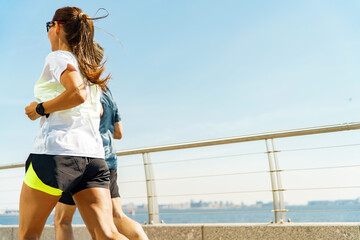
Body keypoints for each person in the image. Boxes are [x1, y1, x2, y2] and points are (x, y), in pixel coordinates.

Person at [21, 7, 127, 240]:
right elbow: (96, 109)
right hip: (94, 158)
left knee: (28, 235)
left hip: (56, 155)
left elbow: (77, 94)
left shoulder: (59, 57)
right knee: (108, 234)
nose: (48, 32)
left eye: (48, 27)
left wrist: (40, 109)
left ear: (57, 27)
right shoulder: (89, 69)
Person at [54, 43, 149, 240]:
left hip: (81, 156)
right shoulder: (106, 91)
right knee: (115, 218)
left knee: (62, 219)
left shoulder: (80, 86)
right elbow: (119, 132)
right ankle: (141, 237)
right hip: (108, 162)